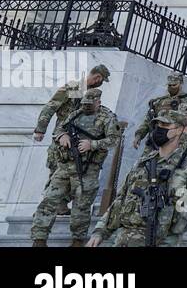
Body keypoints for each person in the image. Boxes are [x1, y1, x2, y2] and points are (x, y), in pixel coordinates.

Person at [90, 109, 187, 247]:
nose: (159, 129)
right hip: (123, 240)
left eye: (165, 126)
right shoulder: (143, 162)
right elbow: (120, 199)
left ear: (179, 130)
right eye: (158, 125)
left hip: (162, 241)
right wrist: (100, 231)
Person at [30, 87, 120, 247]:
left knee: (81, 206)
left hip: (87, 169)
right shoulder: (76, 113)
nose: (85, 107)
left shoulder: (107, 117)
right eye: (84, 104)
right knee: (49, 200)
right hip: (65, 166)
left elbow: (114, 139)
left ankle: (77, 240)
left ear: (98, 102)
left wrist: (92, 144)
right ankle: (39, 239)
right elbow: (60, 127)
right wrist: (61, 136)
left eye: (89, 105)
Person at [133, 72, 187, 149]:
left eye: (174, 85)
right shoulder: (159, 101)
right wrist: (139, 136)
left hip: (174, 143)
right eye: (169, 85)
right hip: (155, 142)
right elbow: (148, 120)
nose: (171, 87)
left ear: (181, 84)